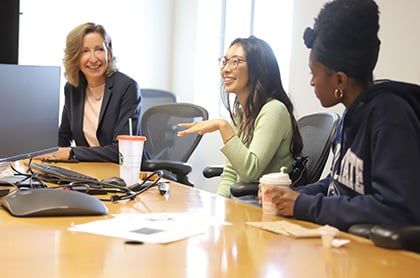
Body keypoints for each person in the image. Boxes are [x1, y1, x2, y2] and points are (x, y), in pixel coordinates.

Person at [259, 0, 420, 231]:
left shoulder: (390, 115)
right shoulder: (351, 114)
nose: (312, 82)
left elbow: (397, 209)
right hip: (343, 245)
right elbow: (338, 185)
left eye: (314, 74)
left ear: (339, 80)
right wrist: (291, 196)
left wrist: (305, 205)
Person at [178, 36, 302, 198]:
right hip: (242, 202)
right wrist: (218, 206)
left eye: (235, 61)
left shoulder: (274, 110)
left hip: (264, 207)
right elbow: (230, 173)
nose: (226, 69)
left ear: (258, 68)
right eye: (225, 61)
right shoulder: (241, 115)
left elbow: (249, 173)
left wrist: (222, 126)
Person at [36, 22, 146, 163]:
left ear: (109, 53)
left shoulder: (127, 88)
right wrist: (42, 153)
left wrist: (72, 153)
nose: (93, 59)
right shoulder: (72, 88)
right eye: (85, 51)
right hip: (90, 171)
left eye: (99, 49)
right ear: (75, 57)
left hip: (127, 172)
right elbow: (64, 136)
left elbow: (121, 150)